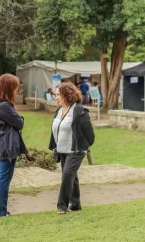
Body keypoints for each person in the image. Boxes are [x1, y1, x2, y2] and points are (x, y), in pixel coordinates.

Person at [0, 74, 28, 218]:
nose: (16, 90)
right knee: (3, 180)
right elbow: (19, 123)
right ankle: (0, 212)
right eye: (15, 87)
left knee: (1, 178)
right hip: (6, 147)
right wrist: (19, 116)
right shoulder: (4, 106)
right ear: (9, 87)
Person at [49, 82, 95, 215]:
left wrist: (84, 147)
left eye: (58, 95)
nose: (56, 97)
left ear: (67, 94)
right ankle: (75, 204)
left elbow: (90, 135)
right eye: (55, 95)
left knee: (67, 174)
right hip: (62, 149)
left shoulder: (79, 111)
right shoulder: (59, 111)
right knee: (71, 176)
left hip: (76, 150)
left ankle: (62, 205)